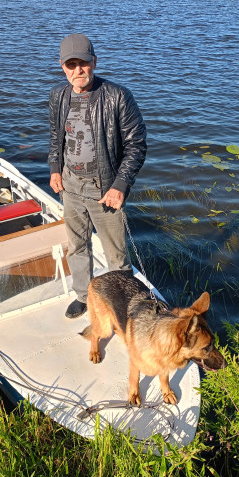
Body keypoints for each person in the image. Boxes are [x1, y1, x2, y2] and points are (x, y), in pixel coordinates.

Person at [48, 33, 147, 318]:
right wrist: (55, 168)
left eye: (84, 63)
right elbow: (56, 137)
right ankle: (83, 295)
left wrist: (120, 185)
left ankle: (125, 305)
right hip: (70, 186)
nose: (78, 71)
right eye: (71, 65)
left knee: (116, 255)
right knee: (77, 246)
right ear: (62, 66)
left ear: (95, 62)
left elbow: (136, 145)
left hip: (104, 189)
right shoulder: (58, 95)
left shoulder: (117, 96)